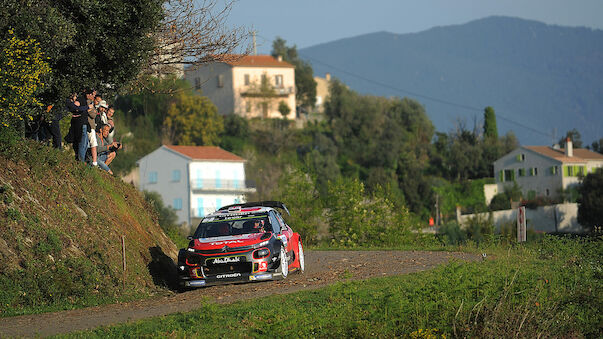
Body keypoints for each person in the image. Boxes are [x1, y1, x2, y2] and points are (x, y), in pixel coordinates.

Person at [66, 92, 92, 160]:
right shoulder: (70, 102)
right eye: (75, 96)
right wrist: (88, 107)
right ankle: (81, 161)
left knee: (84, 144)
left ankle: (81, 160)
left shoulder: (73, 102)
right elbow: (76, 108)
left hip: (81, 124)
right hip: (80, 124)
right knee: (82, 144)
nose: (75, 98)